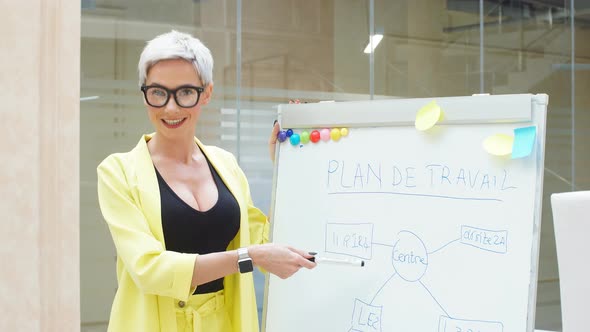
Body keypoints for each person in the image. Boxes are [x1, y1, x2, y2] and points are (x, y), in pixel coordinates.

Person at [97, 30, 316, 332]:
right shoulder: (117, 172)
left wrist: (287, 167)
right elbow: (148, 269)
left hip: (226, 322)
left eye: (185, 92)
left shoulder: (225, 164)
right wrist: (246, 257)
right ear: (144, 93)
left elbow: (265, 246)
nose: (170, 107)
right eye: (158, 92)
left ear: (207, 93)